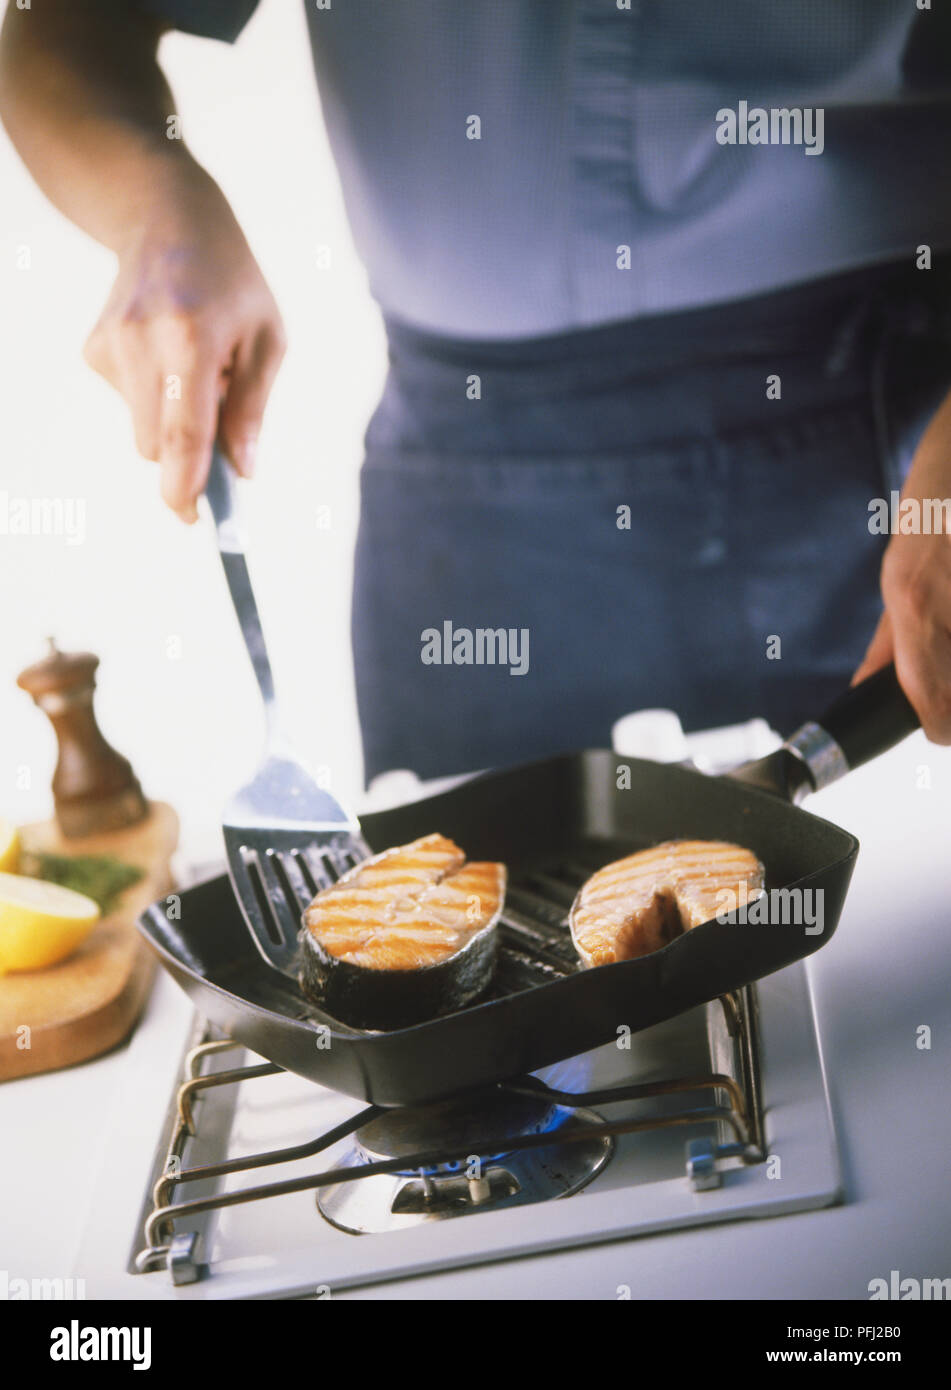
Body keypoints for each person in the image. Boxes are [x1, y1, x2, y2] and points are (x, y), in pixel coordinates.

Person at [2, 0, 951, 784]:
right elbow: (62, 26)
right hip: (468, 478)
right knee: (470, 951)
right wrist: (154, 206)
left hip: (894, 439)